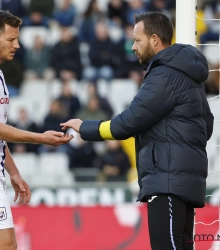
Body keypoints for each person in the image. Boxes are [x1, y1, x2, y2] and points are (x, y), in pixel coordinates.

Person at [61, 11, 214, 250]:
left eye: (137, 40)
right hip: (184, 182)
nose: (132, 46)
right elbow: (207, 125)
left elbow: (128, 123)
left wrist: (85, 127)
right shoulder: (188, 75)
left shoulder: (164, 74)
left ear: (154, 39)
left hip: (168, 183)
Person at [0, 10, 73, 250]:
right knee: (7, 245)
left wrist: (14, 173)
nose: (17, 45)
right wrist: (40, 139)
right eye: (11, 39)